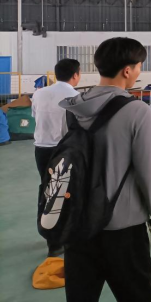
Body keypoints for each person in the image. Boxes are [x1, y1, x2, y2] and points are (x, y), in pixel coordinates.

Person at [60, 38, 151, 301]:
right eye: (139, 66)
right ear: (127, 70)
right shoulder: (138, 111)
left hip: (78, 224)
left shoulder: (72, 109)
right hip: (123, 227)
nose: (139, 71)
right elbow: (149, 171)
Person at [32, 58, 81, 256]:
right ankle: (66, 236)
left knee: (48, 191)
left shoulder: (39, 93)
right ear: (75, 75)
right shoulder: (75, 96)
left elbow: (36, 117)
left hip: (41, 149)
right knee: (67, 192)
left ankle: (52, 240)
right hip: (64, 150)